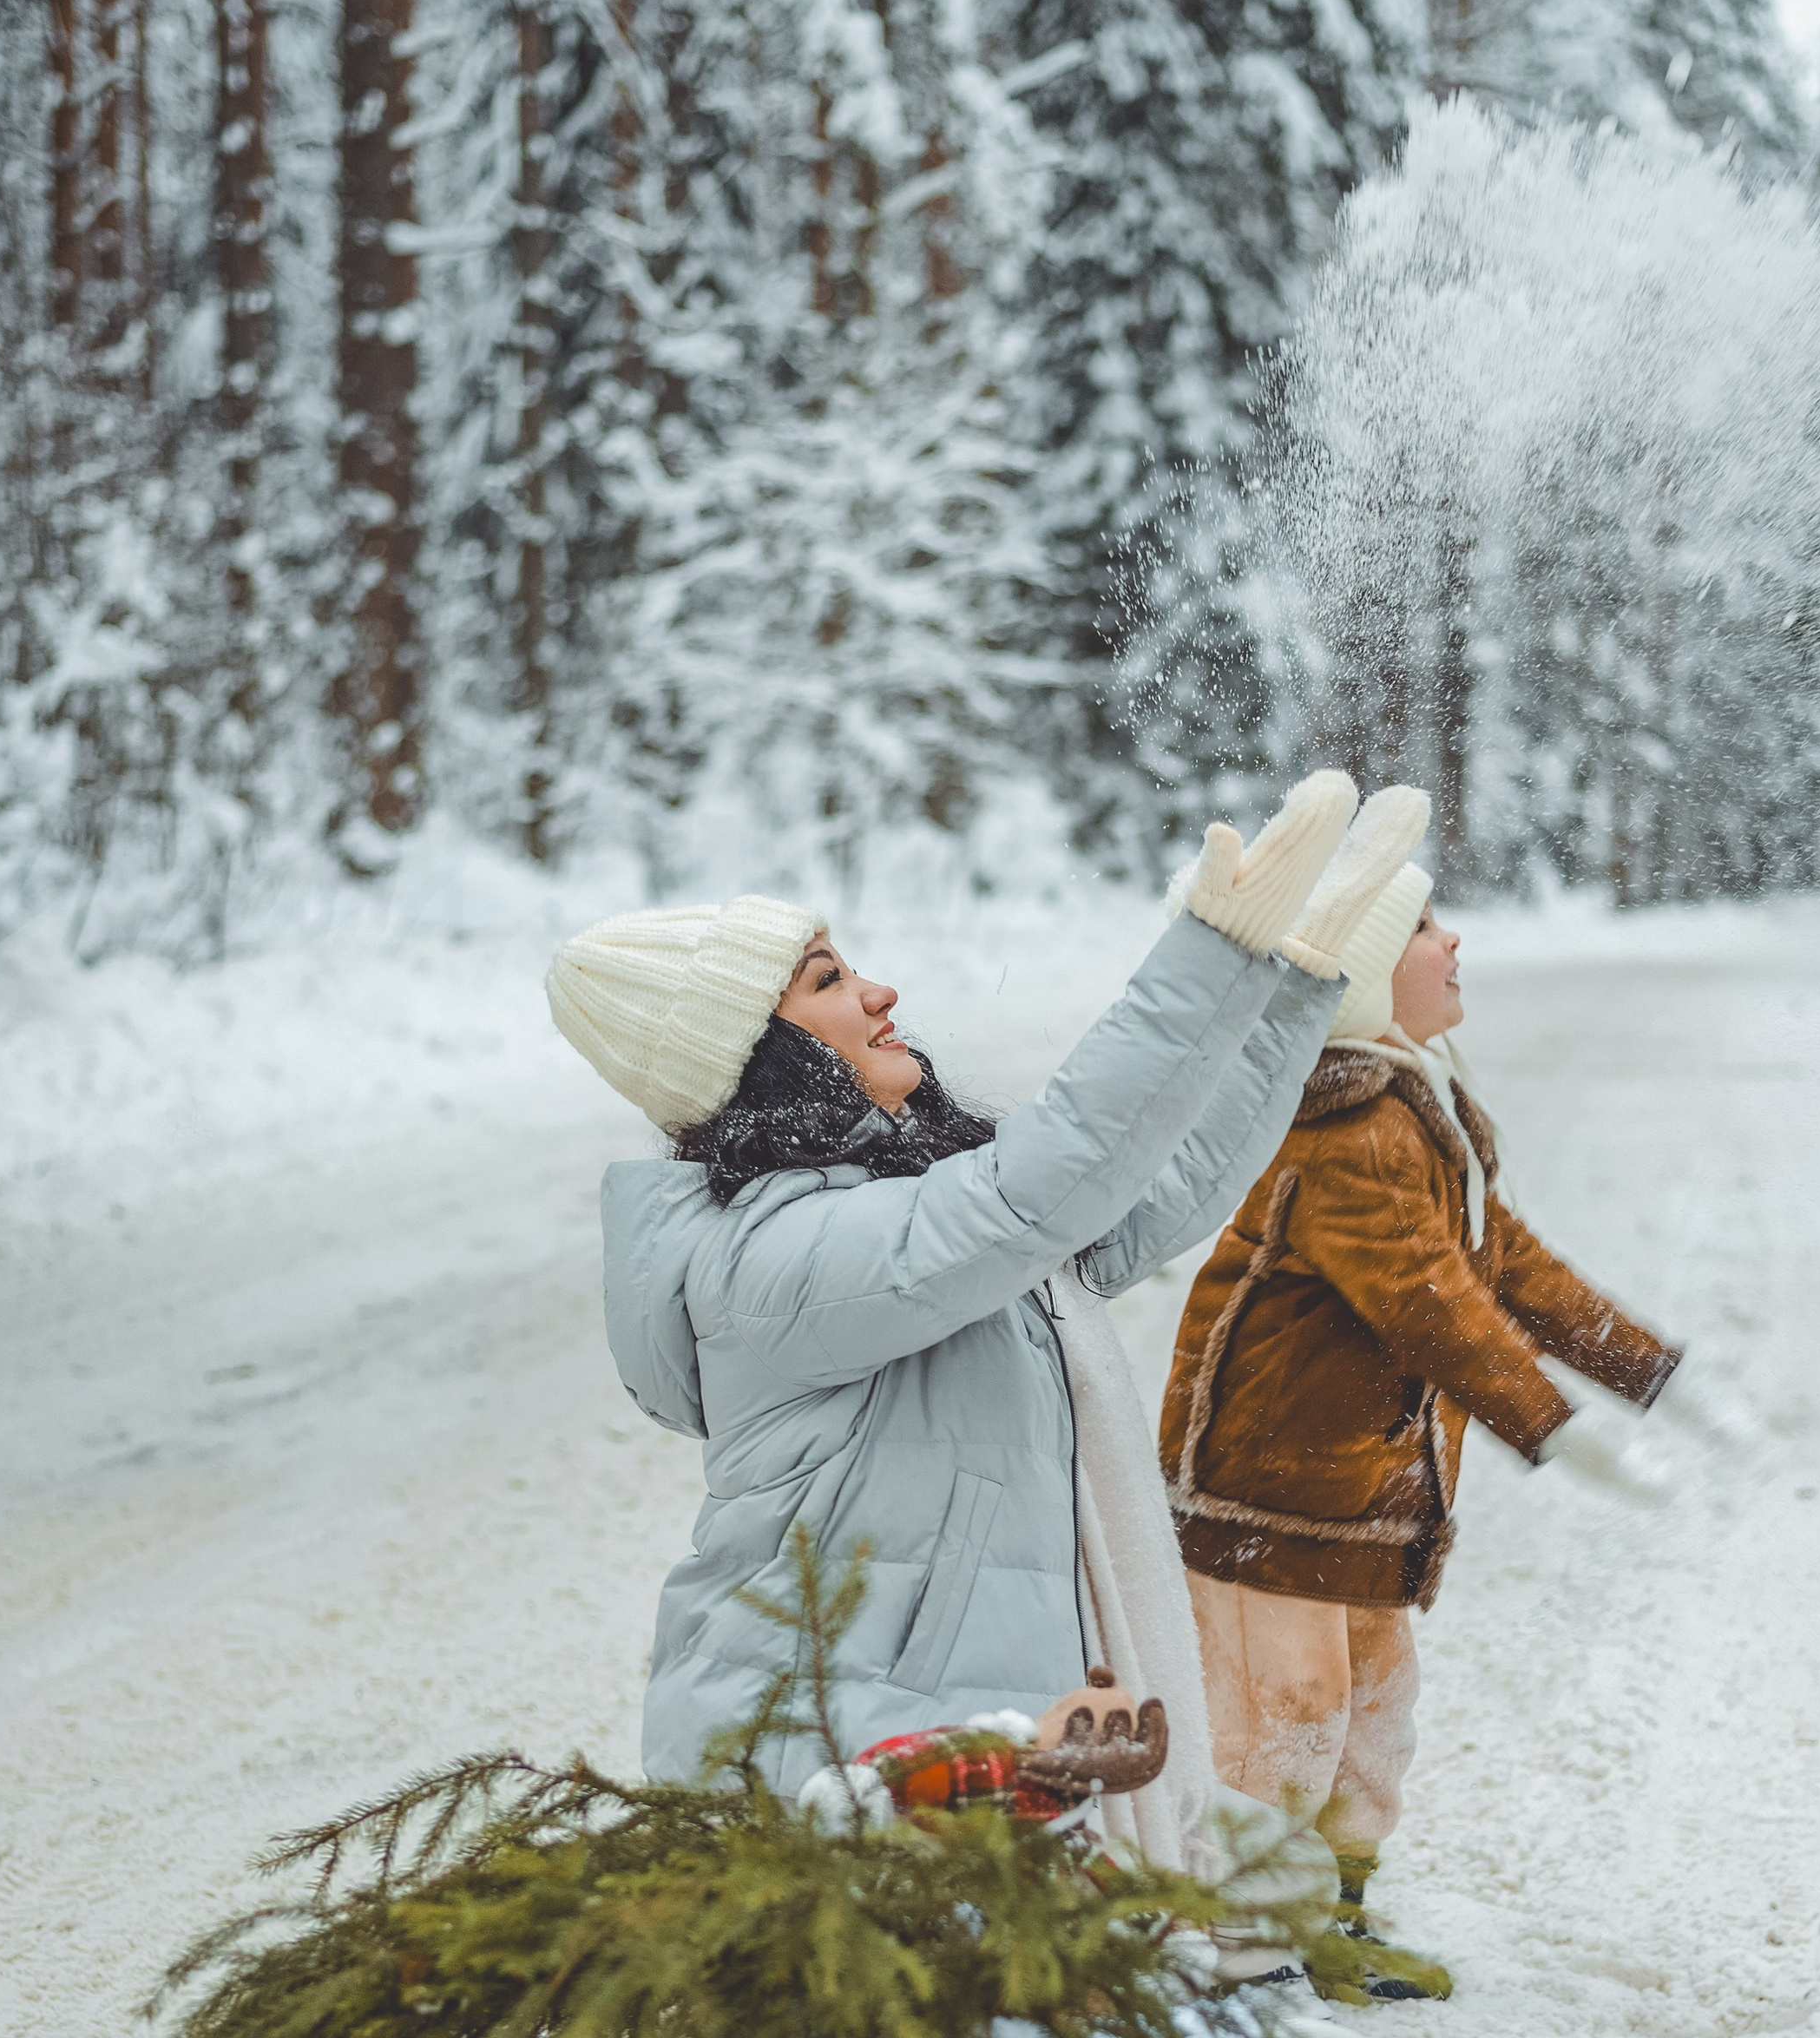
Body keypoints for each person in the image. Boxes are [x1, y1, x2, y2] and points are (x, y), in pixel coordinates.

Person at [543, 773, 1427, 1810]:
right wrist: (1210, 952)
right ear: (753, 1051)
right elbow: (1032, 1194)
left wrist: (1289, 987)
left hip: (955, 1735)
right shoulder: (769, 1259)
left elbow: (1147, 1188)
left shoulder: (910, 1199)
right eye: (828, 979)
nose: (879, 994)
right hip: (825, 1746)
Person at [1159, 840, 1681, 1962]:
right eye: (1423, 927)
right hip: (1268, 1492)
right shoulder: (1341, 1125)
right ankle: (1248, 1937)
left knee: (1373, 1702)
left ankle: (1334, 1911)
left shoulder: (1419, 1101)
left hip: (1362, 1484)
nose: (1454, 943)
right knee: (1280, 1712)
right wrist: (1559, 1429)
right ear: (1349, 972)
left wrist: (1647, 1370)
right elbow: (1432, 1304)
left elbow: (1507, 1265)